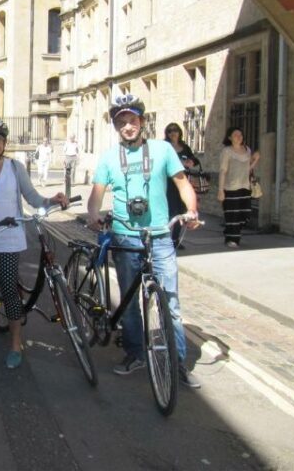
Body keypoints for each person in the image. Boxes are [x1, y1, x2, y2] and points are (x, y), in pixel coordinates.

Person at [86, 94, 201, 388]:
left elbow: (182, 183)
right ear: (116, 126)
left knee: (170, 301)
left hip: (160, 235)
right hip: (126, 236)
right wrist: (93, 213)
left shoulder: (162, 150)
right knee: (128, 300)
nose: (128, 126)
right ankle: (135, 352)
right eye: (121, 122)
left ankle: (177, 364)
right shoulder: (110, 157)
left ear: (142, 121)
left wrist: (191, 211)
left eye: (132, 120)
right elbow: (97, 192)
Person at [0, 117, 68, 369]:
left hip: (7, 237)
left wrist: (53, 199)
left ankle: (16, 343)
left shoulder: (15, 168)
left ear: (4, 143)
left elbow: (33, 199)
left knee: (9, 289)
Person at [217, 127, 259, 248]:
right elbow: (223, 170)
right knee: (232, 215)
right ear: (230, 137)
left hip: (245, 187)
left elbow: (248, 168)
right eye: (235, 135)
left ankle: (230, 232)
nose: (239, 137)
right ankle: (232, 239)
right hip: (230, 188)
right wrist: (220, 190)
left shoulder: (247, 150)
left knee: (245, 214)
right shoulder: (227, 151)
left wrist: (256, 159)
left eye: (240, 134)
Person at [164, 123, 200, 248]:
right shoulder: (165, 146)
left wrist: (190, 162)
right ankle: (165, 239)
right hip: (168, 183)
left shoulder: (184, 147)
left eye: (175, 130)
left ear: (180, 132)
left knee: (180, 211)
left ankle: (175, 239)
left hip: (183, 181)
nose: (173, 133)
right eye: (170, 131)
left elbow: (195, 160)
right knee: (169, 211)